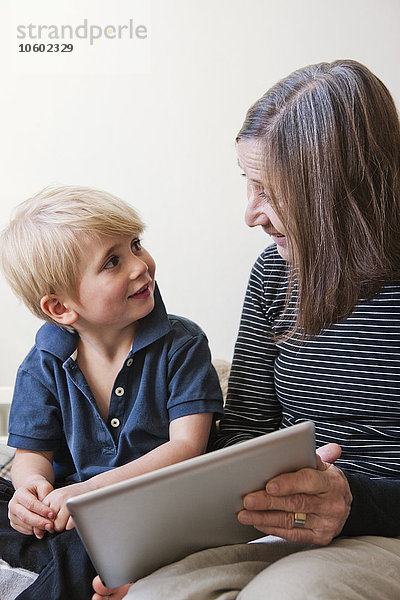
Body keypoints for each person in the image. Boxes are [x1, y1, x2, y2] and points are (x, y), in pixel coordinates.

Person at [93, 59, 400, 599]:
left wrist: (351, 500)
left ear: (339, 189)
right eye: (247, 184)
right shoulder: (274, 272)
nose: (251, 213)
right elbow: (245, 430)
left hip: (382, 528)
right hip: (280, 524)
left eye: (271, 190)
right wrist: (168, 540)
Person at [0, 185, 224, 599]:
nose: (140, 266)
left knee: (91, 544)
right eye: (113, 262)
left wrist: (89, 494)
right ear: (61, 309)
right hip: (74, 509)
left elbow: (187, 448)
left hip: (153, 506)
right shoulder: (42, 362)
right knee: (11, 502)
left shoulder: (183, 343)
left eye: (136, 245)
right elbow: (32, 456)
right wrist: (29, 492)